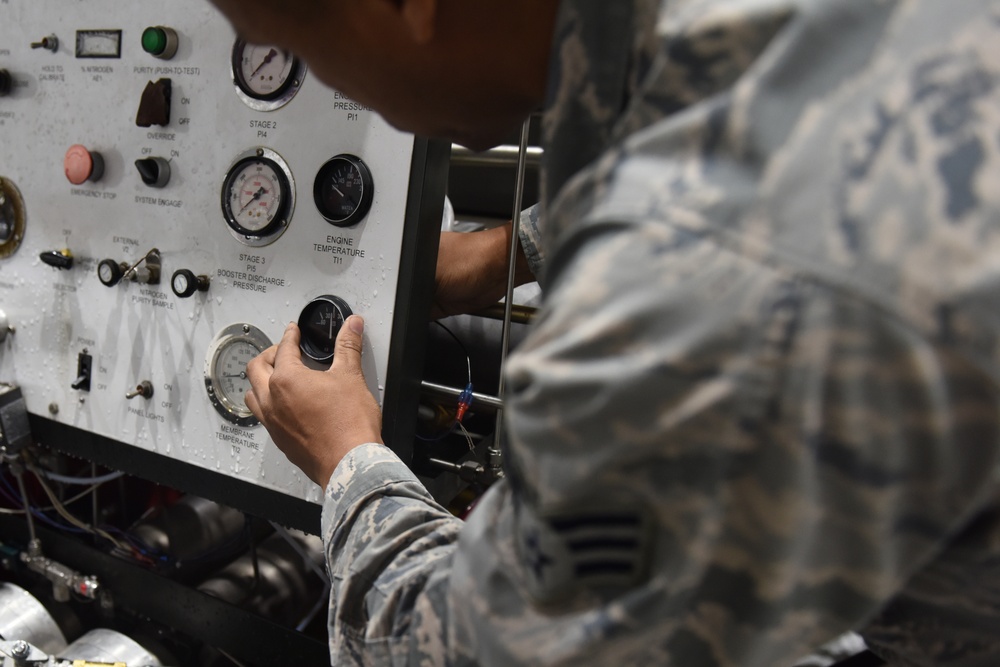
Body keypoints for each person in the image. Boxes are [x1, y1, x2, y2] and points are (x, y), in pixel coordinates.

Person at [210, 0, 1000, 664]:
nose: (340, 83)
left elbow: (480, 648)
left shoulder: (707, 252)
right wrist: (504, 255)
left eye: (304, 47)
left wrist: (345, 457)